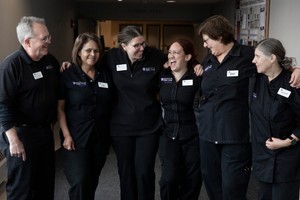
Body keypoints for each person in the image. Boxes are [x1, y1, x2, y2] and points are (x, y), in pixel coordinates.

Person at [196, 15, 300, 200]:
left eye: (206, 40)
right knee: (211, 183)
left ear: (219, 36)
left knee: (232, 187)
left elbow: (275, 66)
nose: (204, 45)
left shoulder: (248, 55)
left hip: (235, 136)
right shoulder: (209, 59)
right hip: (207, 133)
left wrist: (297, 70)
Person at [100, 25, 166, 200]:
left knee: (144, 171)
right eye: (136, 45)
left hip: (149, 126)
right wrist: (68, 66)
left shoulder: (155, 56)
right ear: (123, 46)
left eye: (143, 43)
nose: (141, 48)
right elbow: (86, 64)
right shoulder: (111, 58)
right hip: (121, 128)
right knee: (126, 172)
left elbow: (179, 58)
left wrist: (196, 66)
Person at [0, 16, 59, 200]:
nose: (49, 41)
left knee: (45, 187)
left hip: (44, 134)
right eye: (44, 38)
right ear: (27, 41)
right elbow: (2, 104)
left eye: (48, 37)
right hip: (20, 136)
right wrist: (13, 140)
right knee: (22, 190)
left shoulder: (50, 62)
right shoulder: (11, 66)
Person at [57, 32, 112, 200]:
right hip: (75, 137)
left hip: (100, 137)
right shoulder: (67, 74)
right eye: (88, 50)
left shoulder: (105, 74)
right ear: (78, 51)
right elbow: (60, 108)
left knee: (91, 180)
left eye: (96, 51)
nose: (93, 54)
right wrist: (66, 135)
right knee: (80, 181)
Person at [250, 38, 300, 200]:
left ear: (272, 58)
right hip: (262, 158)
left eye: (257, 56)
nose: (253, 60)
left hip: (287, 160)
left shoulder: (293, 83)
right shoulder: (256, 80)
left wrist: (287, 142)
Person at [159, 39, 202, 200]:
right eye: (169, 52)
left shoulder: (197, 77)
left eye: (176, 52)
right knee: (168, 179)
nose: (171, 56)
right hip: (169, 135)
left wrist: (199, 65)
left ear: (188, 57)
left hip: (193, 136)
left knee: (192, 179)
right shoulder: (162, 75)